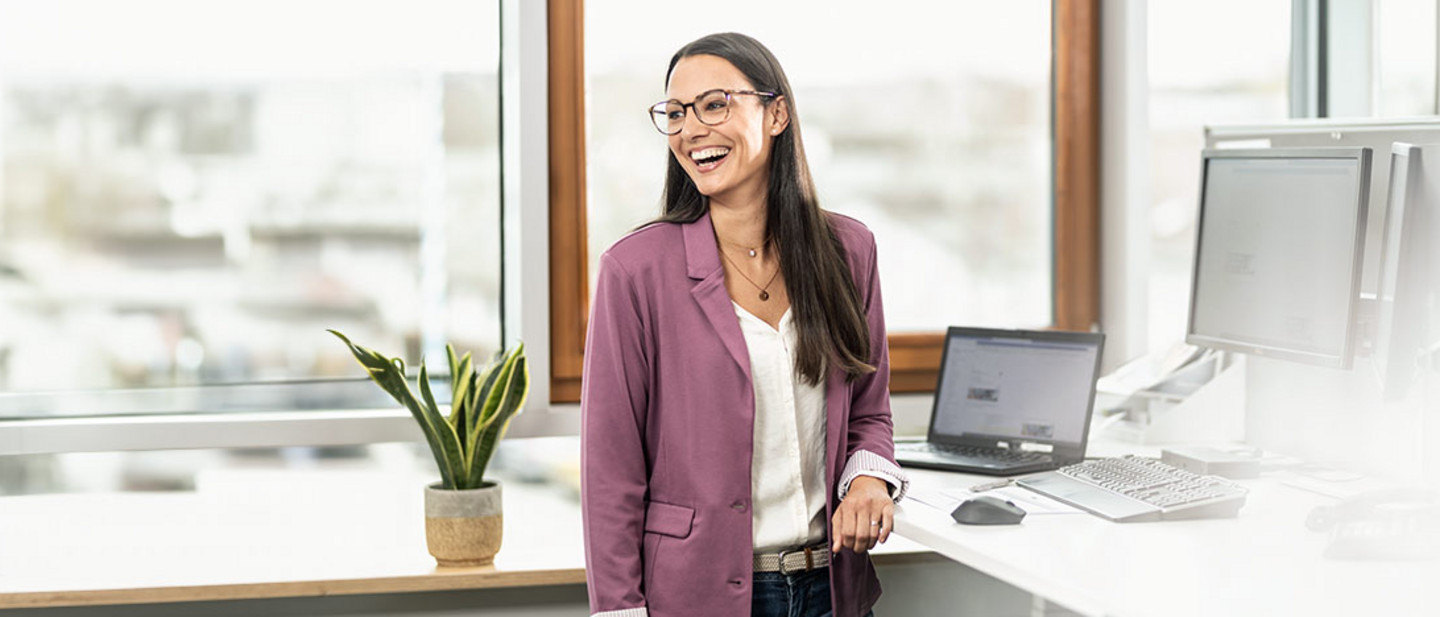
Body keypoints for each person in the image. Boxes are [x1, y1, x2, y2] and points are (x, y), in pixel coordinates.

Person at [581, 32, 909, 617]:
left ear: (776, 112)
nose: (691, 130)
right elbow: (611, 470)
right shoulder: (634, 271)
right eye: (676, 113)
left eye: (714, 105)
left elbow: (869, 410)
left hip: (831, 587)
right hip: (696, 595)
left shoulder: (849, 251)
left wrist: (868, 481)